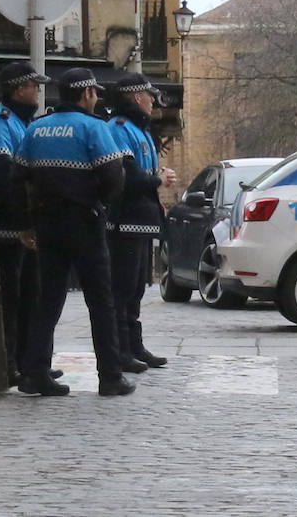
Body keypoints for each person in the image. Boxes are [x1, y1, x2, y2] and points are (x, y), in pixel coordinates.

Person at [12, 67, 134, 397]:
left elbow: (16, 177)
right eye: (94, 93)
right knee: (100, 301)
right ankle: (109, 376)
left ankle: (34, 372)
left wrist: (27, 221)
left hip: (47, 225)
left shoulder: (36, 129)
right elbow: (114, 176)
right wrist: (99, 203)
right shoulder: (93, 128)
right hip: (85, 224)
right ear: (86, 94)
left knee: (47, 300)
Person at [0, 62, 54, 385]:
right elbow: (1, 178)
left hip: (19, 226)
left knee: (28, 296)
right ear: (19, 88)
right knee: (8, 298)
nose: (38, 91)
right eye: (35, 85)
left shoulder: (21, 123)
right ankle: (5, 365)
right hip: (3, 228)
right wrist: (23, 220)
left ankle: (25, 361)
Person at [107, 73, 176, 372]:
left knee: (136, 288)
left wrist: (157, 173)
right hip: (125, 220)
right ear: (137, 97)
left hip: (141, 220)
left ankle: (134, 345)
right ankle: (122, 349)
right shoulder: (120, 129)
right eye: (149, 96)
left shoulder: (140, 129)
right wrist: (158, 179)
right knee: (123, 287)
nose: (152, 101)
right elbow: (128, 176)